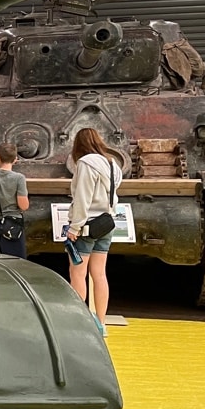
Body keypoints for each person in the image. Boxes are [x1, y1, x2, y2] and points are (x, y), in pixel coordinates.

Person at [65, 128, 123, 336]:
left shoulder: (85, 163)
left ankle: (79, 322)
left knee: (77, 273)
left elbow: (83, 197)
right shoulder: (112, 164)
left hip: (87, 225)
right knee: (99, 274)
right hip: (106, 224)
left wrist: (74, 227)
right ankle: (101, 322)